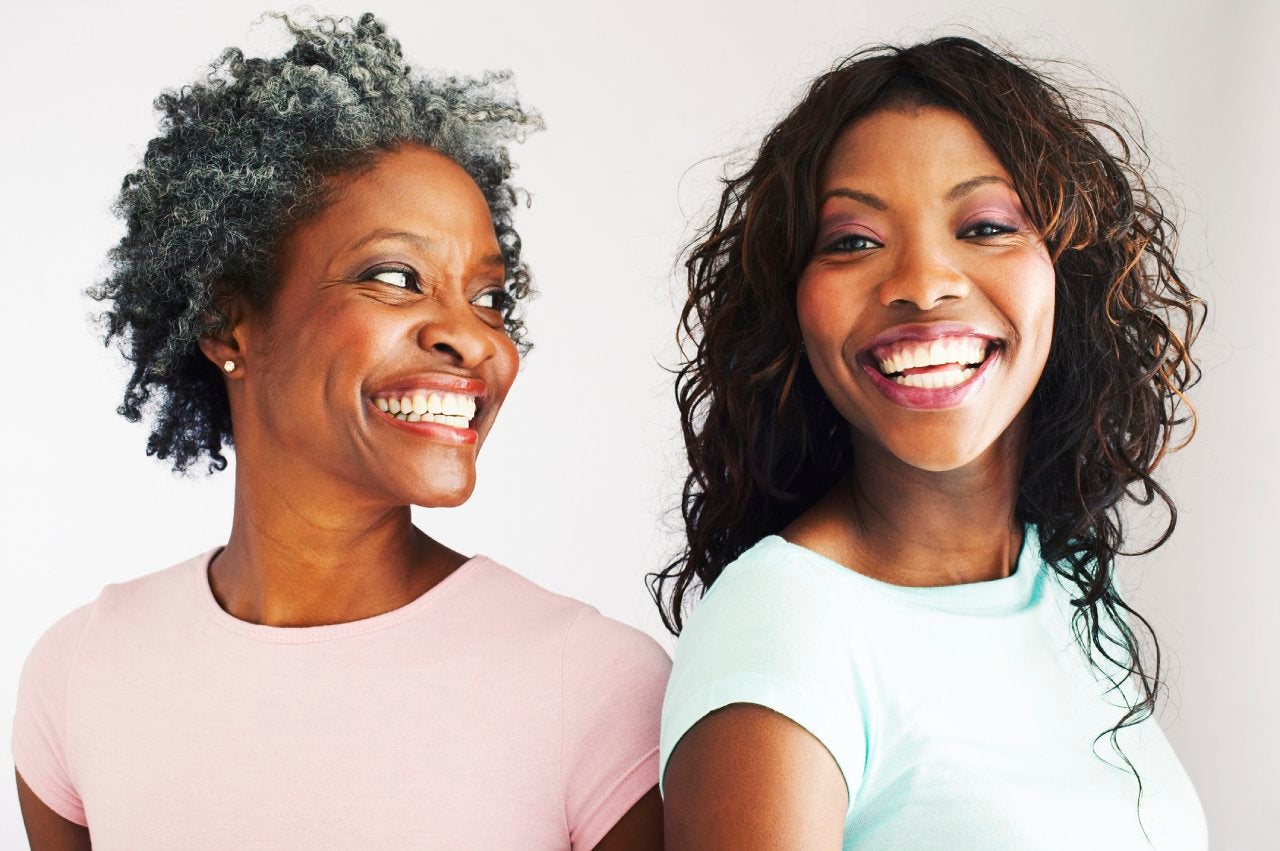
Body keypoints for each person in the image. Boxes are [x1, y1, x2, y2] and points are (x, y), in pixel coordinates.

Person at [11, 13, 668, 849]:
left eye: (489, 297)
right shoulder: (81, 676)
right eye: (395, 277)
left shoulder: (597, 689)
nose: (472, 336)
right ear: (227, 324)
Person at [653, 37, 1206, 849]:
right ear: (791, 307)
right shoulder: (785, 627)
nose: (923, 281)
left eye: (983, 225)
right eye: (852, 240)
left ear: (1067, 272)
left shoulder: (1060, 586)